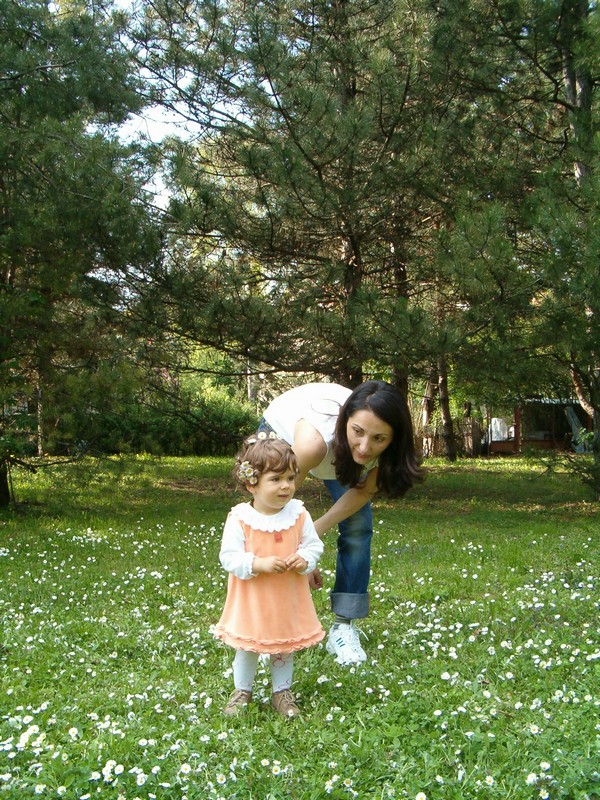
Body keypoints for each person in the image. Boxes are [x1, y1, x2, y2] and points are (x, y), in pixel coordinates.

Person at [259, 380, 423, 665]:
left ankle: (343, 626)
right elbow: (276, 508)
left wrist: (311, 538)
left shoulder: (386, 454)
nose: (365, 447)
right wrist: (299, 553)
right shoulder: (311, 444)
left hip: (336, 451)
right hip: (285, 432)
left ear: (394, 438)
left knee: (359, 524)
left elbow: (361, 494)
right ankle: (269, 628)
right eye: (358, 431)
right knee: (268, 528)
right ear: (346, 420)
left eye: (379, 438)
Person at [214, 433, 325, 718]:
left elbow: (313, 545)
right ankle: (242, 691)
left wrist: (305, 558)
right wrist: (257, 564)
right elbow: (229, 557)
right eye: (275, 479)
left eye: (290, 478)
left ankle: (281, 692)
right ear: (252, 484)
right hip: (252, 599)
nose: (286, 486)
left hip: (286, 598)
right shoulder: (241, 518)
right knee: (248, 646)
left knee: (283, 646)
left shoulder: (299, 515)